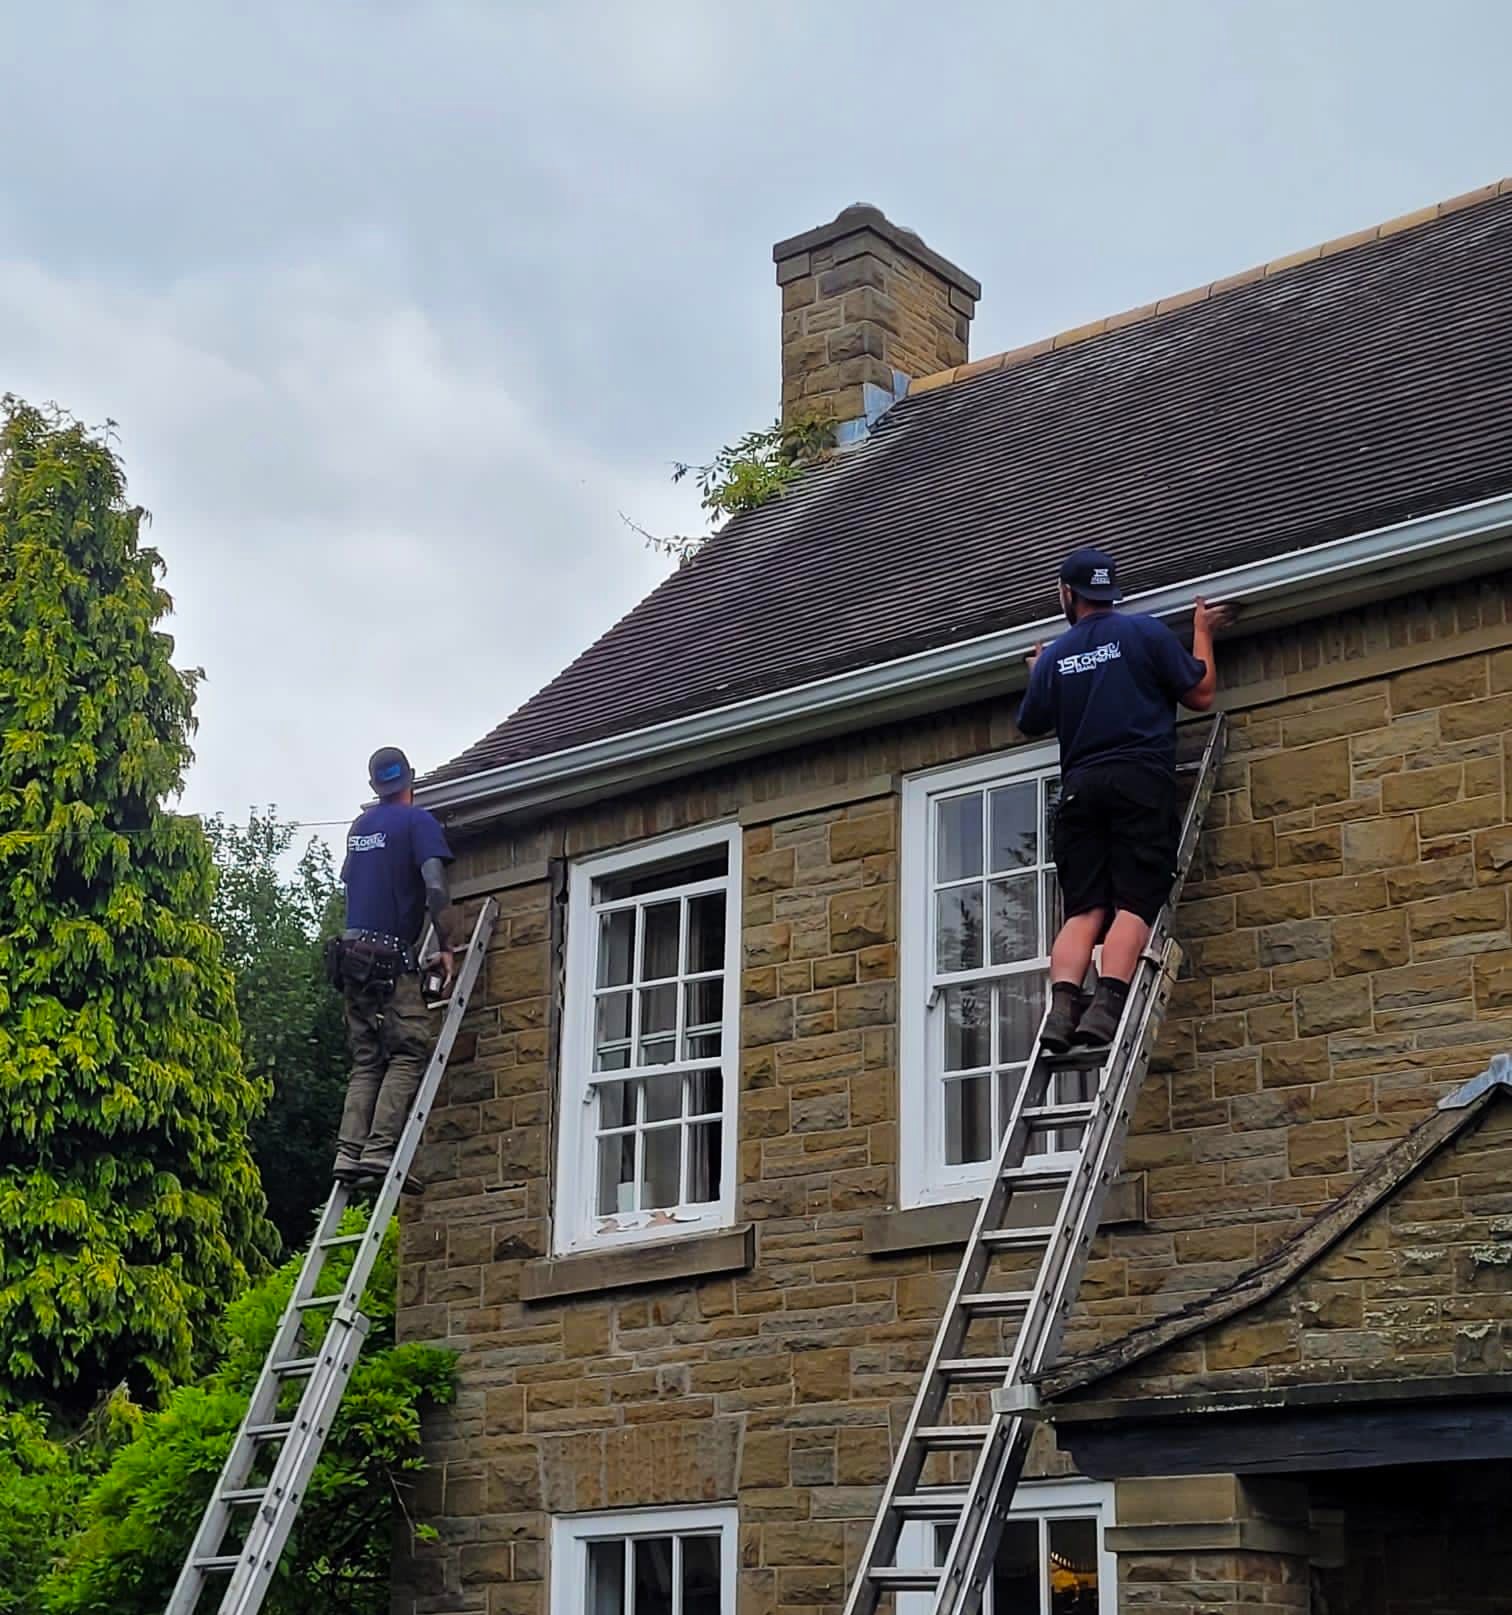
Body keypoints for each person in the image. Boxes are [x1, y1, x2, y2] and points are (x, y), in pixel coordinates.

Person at [1017, 547, 1234, 1052]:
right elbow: (1200, 693)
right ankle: (1108, 1005)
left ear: (1067, 594)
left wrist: (1042, 670)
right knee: (1135, 902)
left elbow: (1031, 718)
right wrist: (1202, 630)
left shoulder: (1054, 657)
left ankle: (1062, 1009)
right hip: (1139, 783)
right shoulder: (1145, 634)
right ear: (1110, 588)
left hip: (1080, 792)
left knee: (1084, 911)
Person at [328, 746, 456, 1184]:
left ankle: (348, 1153)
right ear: (412, 780)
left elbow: (354, 882)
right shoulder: (418, 822)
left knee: (367, 1059)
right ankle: (379, 1153)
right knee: (407, 1050)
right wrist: (446, 946)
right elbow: (435, 888)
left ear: (373, 786)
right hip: (389, 958)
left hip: (350, 959)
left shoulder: (360, 826)